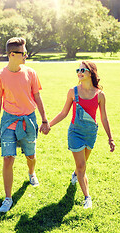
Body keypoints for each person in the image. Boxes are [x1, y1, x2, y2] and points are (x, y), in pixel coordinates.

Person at [0, 37, 50, 213]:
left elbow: (37, 96)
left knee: (30, 156)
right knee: (8, 158)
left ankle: (31, 173)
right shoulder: (0, 76)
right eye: (23, 53)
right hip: (8, 120)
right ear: (11, 54)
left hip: (28, 120)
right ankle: (8, 198)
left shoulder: (31, 73)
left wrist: (44, 119)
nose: (26, 56)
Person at [49, 61, 115, 209]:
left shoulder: (100, 95)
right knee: (82, 166)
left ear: (91, 72)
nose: (79, 72)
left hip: (91, 133)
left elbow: (104, 117)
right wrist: (48, 124)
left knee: (82, 163)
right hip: (75, 132)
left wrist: (110, 138)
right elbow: (64, 113)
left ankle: (75, 174)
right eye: (78, 70)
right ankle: (87, 197)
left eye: (83, 70)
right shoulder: (73, 92)